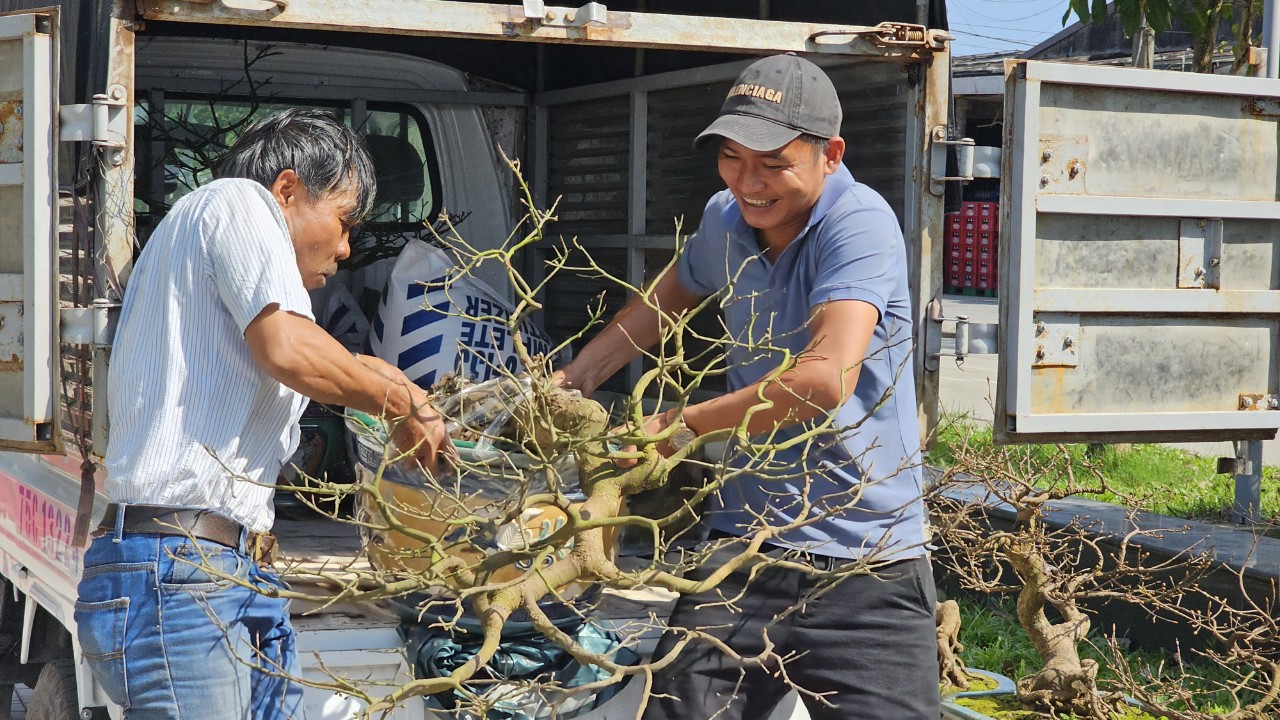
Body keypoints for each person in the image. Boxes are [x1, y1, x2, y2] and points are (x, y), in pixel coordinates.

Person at [557, 54, 938, 719]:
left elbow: (824, 379)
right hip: (745, 553)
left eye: (772, 163)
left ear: (831, 154)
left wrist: (686, 426)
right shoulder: (726, 219)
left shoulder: (859, 225)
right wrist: (579, 375)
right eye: (732, 158)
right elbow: (667, 296)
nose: (749, 182)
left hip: (864, 568)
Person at [74, 109, 450, 720]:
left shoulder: (232, 258)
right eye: (345, 218)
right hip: (181, 575)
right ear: (287, 188)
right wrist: (401, 402)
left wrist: (404, 389)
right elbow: (289, 350)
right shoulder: (236, 202)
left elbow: (323, 351)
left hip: (223, 570)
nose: (348, 246)